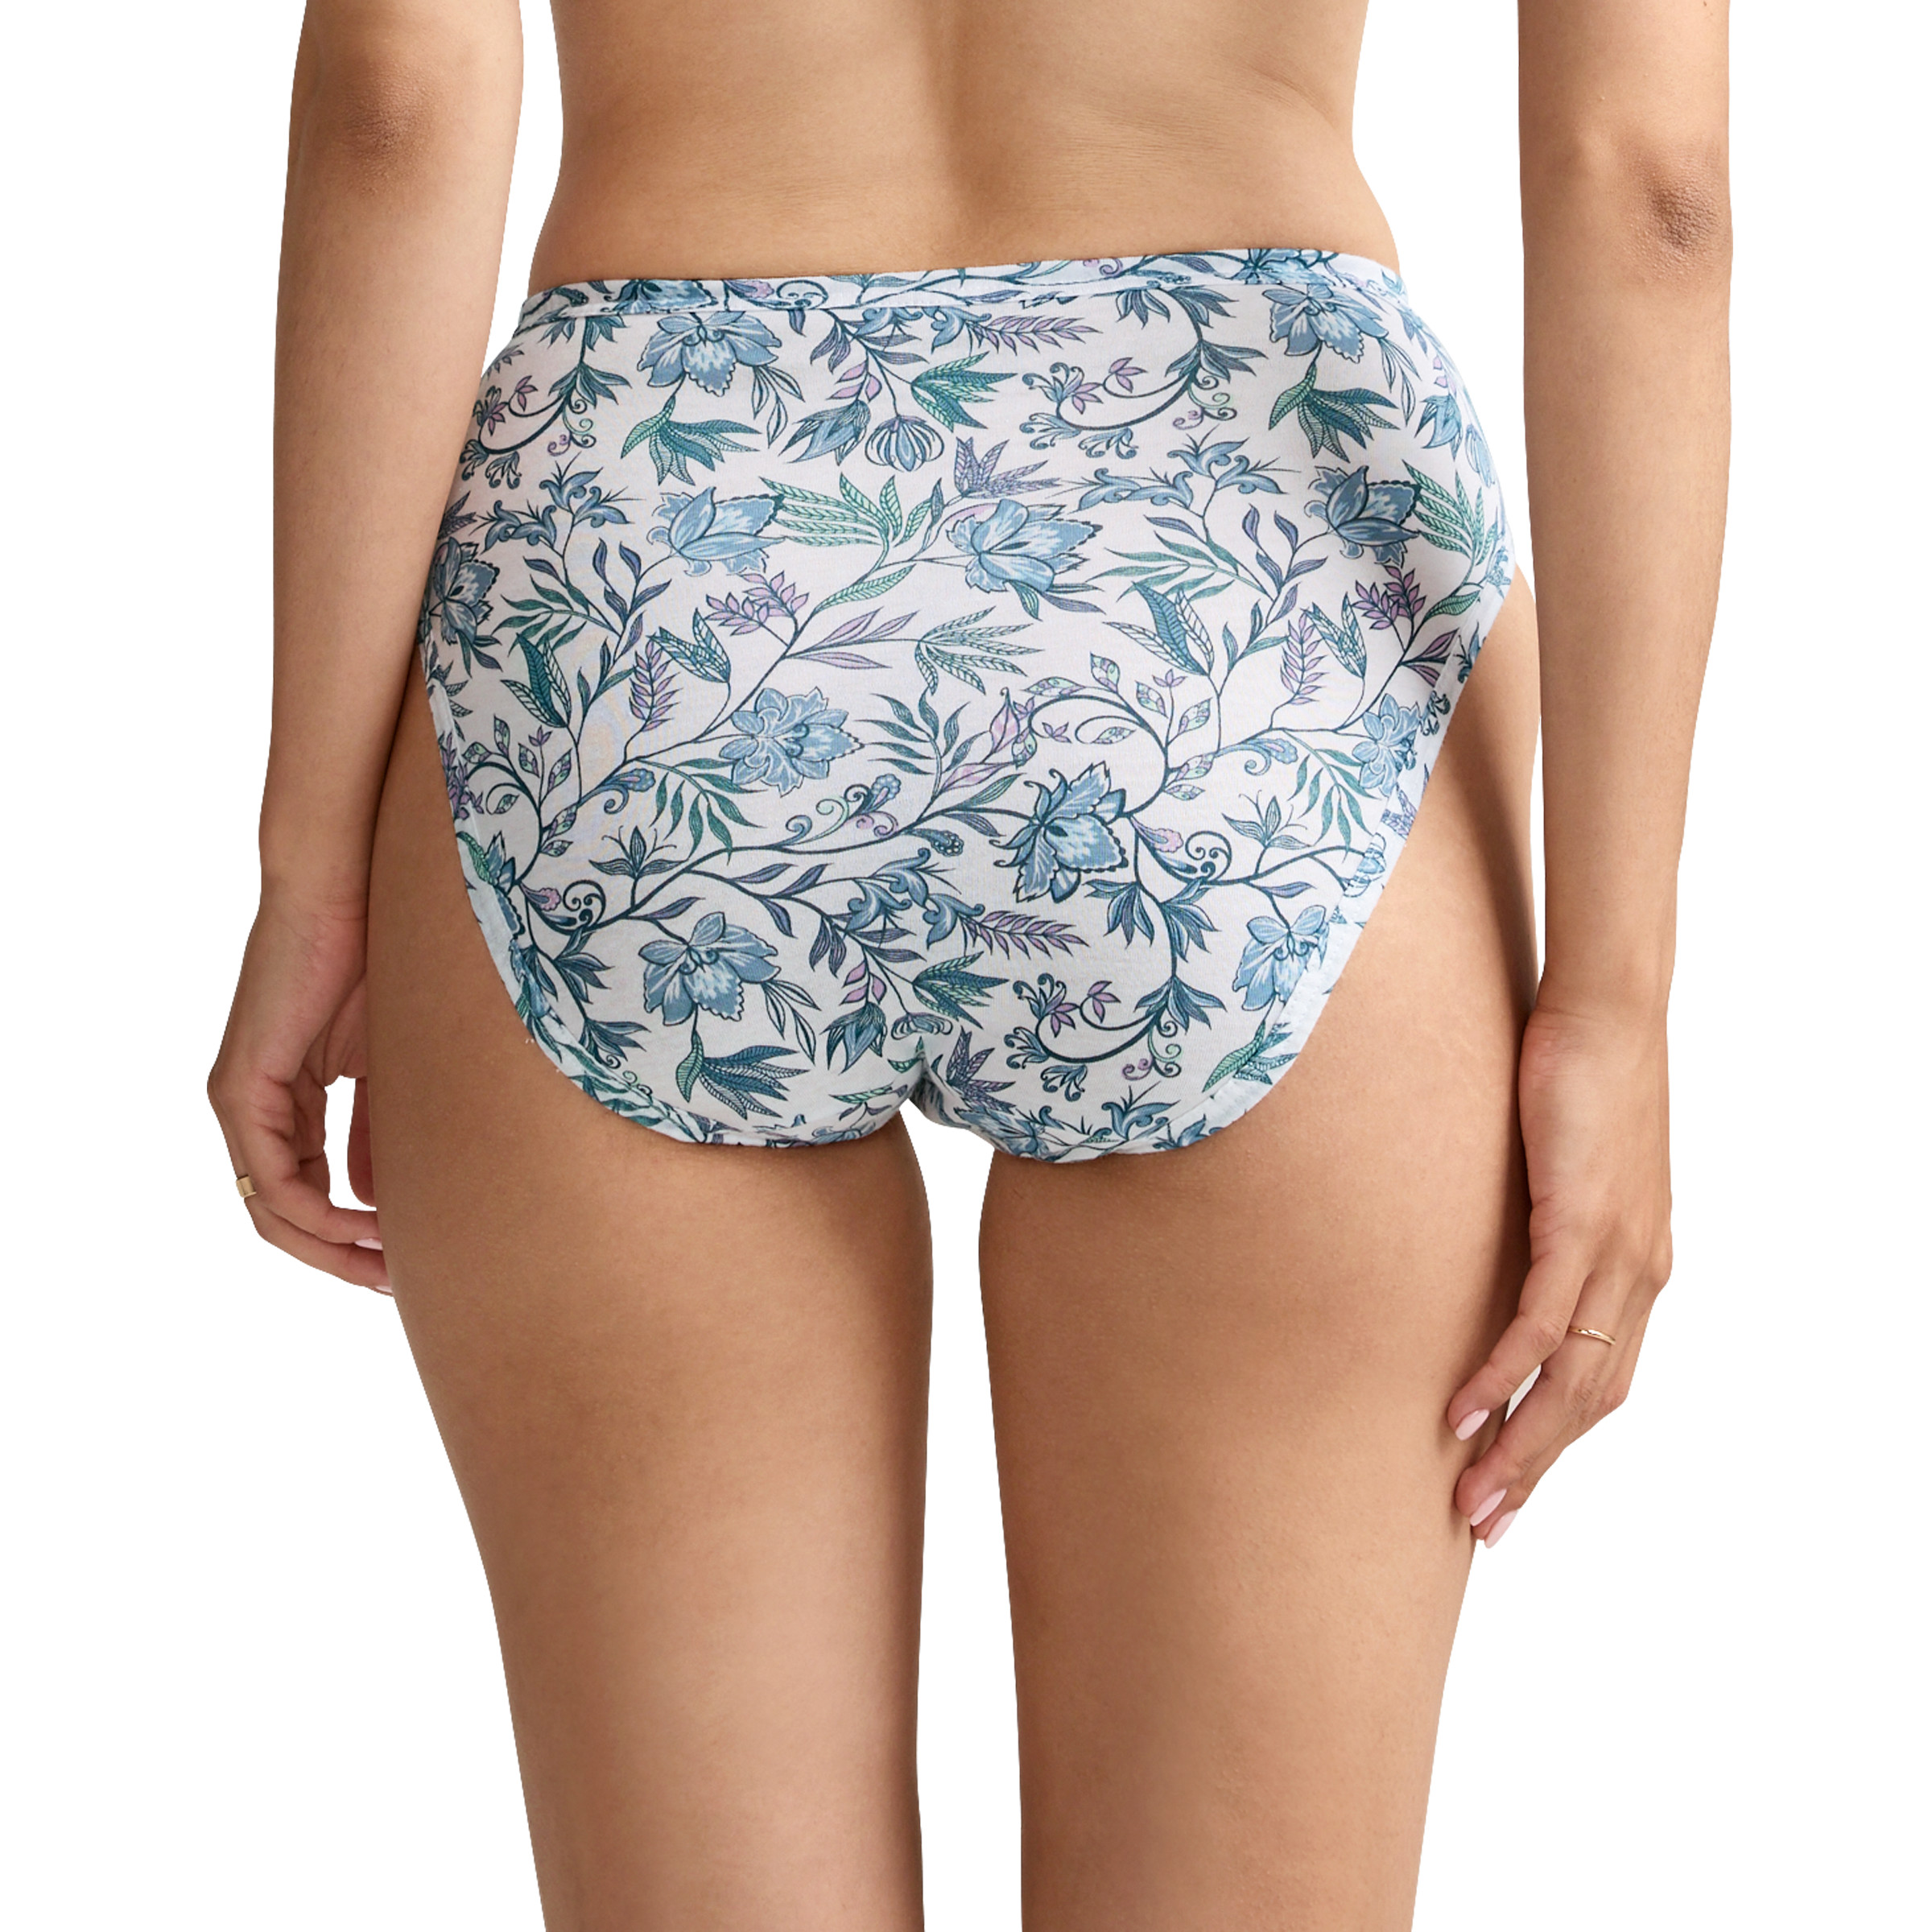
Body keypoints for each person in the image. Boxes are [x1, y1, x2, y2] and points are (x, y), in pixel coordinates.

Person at [208, 0, 1729, 1923]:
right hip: (1256, 592)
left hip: (647, 586)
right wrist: (1616, 994)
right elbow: (1644, 186)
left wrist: (311, 866)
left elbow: (396, 105)